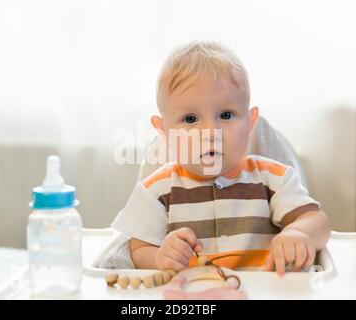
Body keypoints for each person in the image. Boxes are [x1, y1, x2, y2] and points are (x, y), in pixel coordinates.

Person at [111, 41, 331, 277]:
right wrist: (159, 257)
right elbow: (138, 249)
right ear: (164, 130)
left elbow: (317, 220)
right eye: (190, 119)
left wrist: (298, 233)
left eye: (226, 115)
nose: (209, 132)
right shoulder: (155, 191)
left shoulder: (274, 180)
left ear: (250, 122)